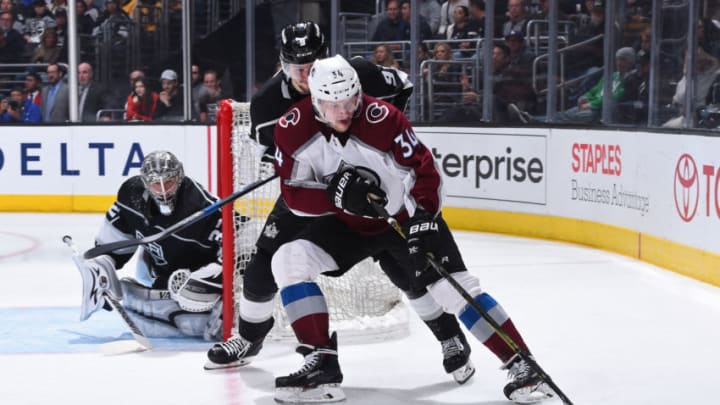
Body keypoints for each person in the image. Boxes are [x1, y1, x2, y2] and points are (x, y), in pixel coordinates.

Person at [269, 54, 552, 404]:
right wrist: (334, 197)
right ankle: (321, 364)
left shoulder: (384, 119)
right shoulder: (292, 128)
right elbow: (293, 195)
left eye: (350, 101)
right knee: (288, 258)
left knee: (452, 288)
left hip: (404, 218)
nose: (344, 111)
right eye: (334, 104)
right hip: (347, 226)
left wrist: (423, 221)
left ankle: (522, 364)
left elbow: (426, 174)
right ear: (315, 101)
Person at [205, 21, 475, 386]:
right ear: (281, 64)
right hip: (315, 193)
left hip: (374, 191)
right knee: (264, 263)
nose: (303, 74)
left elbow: (403, 86)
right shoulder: (267, 103)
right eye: (294, 66)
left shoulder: (358, 75)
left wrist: (383, 144)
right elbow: (276, 159)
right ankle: (250, 338)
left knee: (405, 269)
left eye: (310, 64)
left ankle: (449, 337)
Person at [76, 150, 224, 340]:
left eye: (168, 182)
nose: (163, 190)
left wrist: (213, 277)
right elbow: (112, 241)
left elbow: (238, 240)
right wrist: (103, 266)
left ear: (179, 178)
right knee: (138, 300)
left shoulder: (200, 206)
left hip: (192, 278)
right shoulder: (132, 196)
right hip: (158, 269)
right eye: (156, 184)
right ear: (146, 183)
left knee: (188, 317)